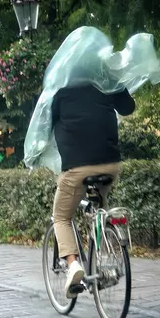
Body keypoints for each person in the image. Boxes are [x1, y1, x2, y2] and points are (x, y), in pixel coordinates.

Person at [51, 84, 135, 298]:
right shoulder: (105, 79)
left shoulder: (61, 85)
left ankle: (72, 265)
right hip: (110, 164)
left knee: (60, 217)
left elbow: (45, 124)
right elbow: (128, 107)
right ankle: (104, 254)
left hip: (77, 167)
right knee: (99, 209)